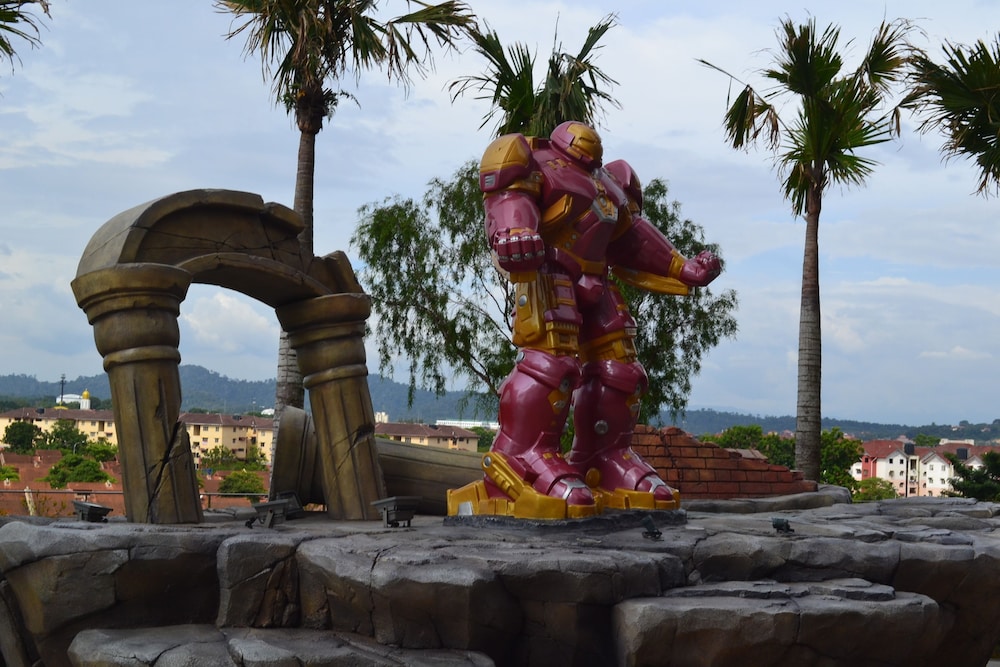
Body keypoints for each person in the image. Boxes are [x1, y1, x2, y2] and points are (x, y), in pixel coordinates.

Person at [448, 121, 721, 520]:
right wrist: (515, 232)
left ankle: (605, 457)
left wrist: (682, 266)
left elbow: (632, 237)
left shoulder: (612, 180)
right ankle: (521, 456)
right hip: (550, 271)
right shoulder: (533, 159)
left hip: (597, 280)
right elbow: (508, 201)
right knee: (551, 364)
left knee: (622, 371)